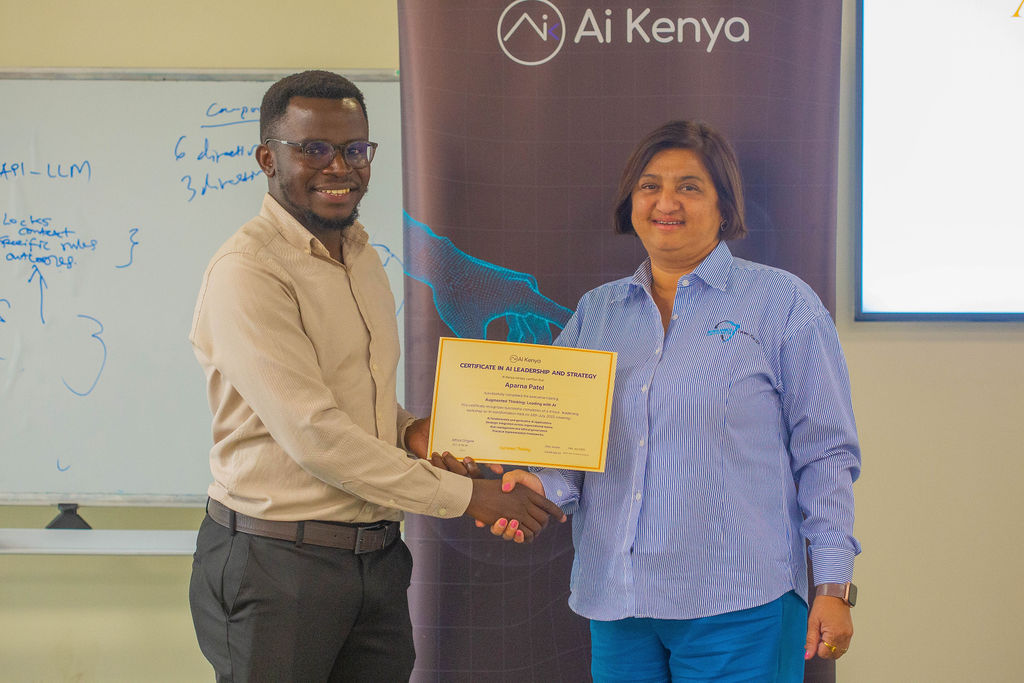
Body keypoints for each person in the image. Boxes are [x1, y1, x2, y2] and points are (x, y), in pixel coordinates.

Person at [187, 70, 563, 683]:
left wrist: (413, 432)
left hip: (376, 560)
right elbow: (317, 436)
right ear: (267, 159)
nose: (339, 167)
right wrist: (474, 497)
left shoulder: (360, 254)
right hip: (277, 565)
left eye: (355, 149)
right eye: (314, 149)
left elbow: (358, 401)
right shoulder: (248, 272)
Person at [493, 120, 861, 682]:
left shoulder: (781, 302)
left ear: (723, 207)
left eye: (689, 187)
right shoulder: (598, 313)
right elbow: (570, 449)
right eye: (650, 186)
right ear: (632, 202)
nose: (666, 202)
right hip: (619, 601)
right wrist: (539, 489)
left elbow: (826, 454)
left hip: (740, 604)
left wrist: (833, 584)